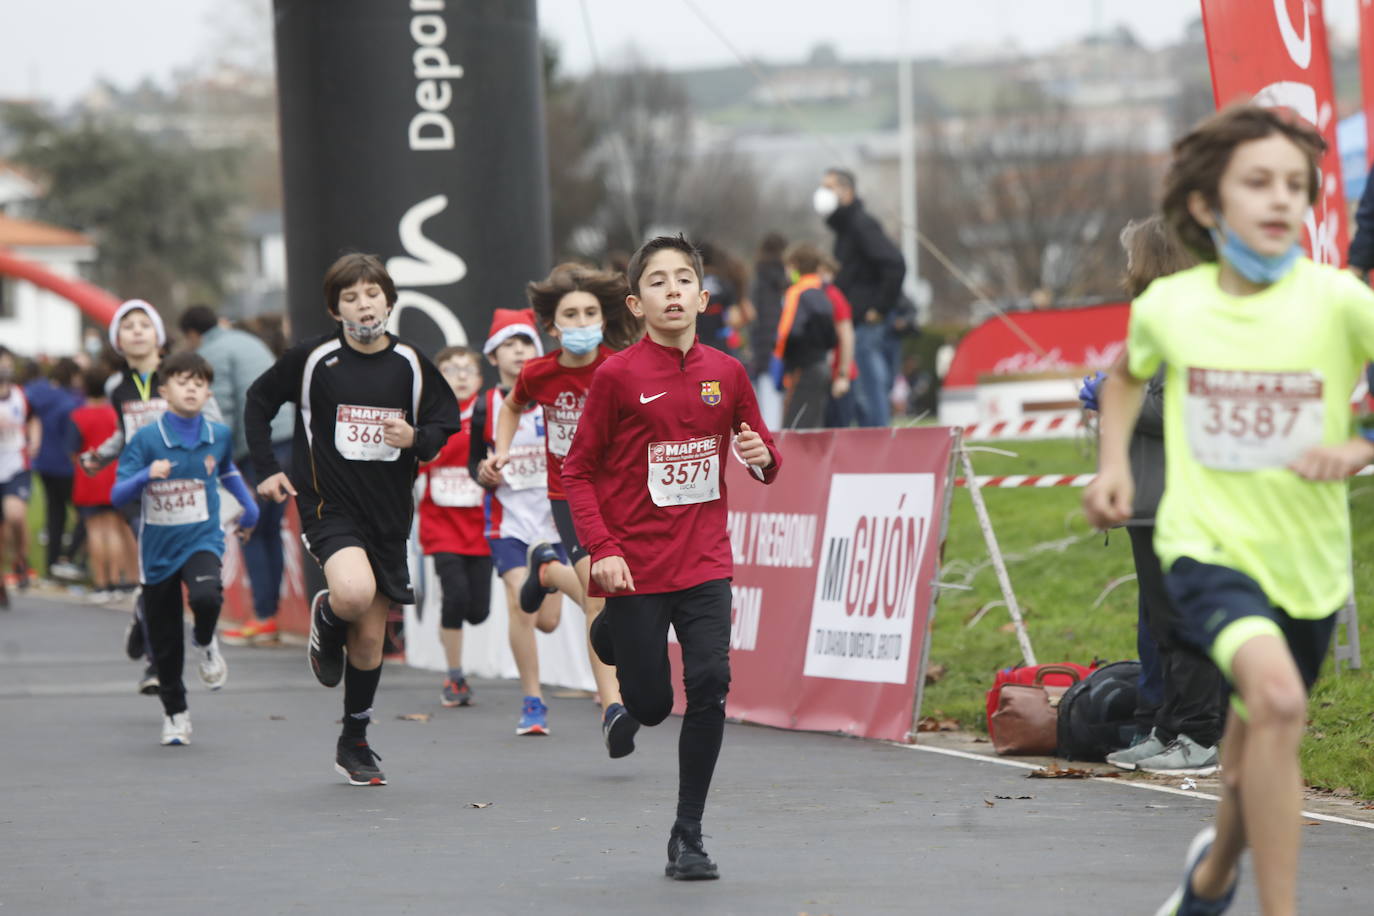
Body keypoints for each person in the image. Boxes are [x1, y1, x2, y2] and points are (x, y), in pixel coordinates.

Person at [1084, 105, 1374, 916]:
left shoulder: (1340, 300)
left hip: (1306, 563)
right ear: (1207, 206)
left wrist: (1360, 446)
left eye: (1295, 184)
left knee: (1258, 740)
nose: (1281, 198)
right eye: (1258, 182)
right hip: (1205, 546)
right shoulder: (1173, 306)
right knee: (1278, 702)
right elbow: (1123, 380)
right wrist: (1112, 469)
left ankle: (1211, 877)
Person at [562, 234, 783, 881]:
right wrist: (601, 549)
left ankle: (688, 832)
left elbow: (762, 449)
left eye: (683, 278)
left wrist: (764, 459)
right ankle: (612, 631)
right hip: (632, 565)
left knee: (711, 685)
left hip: (705, 561)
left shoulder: (728, 372)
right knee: (652, 706)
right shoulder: (616, 376)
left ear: (704, 296)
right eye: (657, 281)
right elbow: (577, 471)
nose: (673, 290)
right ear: (636, 302)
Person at [244, 252, 459, 785]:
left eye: (371, 294)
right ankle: (328, 615)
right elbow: (257, 401)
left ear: (389, 300)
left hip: (387, 515)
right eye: (350, 297)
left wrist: (417, 439)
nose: (363, 305)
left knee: (369, 640)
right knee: (354, 593)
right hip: (328, 505)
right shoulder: (314, 358)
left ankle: (354, 739)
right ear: (335, 309)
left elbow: (444, 420)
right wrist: (267, 468)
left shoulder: (410, 361)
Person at [1080, 216, 1227, 778]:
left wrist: (1114, 394)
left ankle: (1199, 736)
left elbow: (1179, 409)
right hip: (1148, 496)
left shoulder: (1188, 323)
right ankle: (1166, 728)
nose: (1124, 269)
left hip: (1178, 498)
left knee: (1184, 619)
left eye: (1129, 257)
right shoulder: (1157, 321)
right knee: (1161, 624)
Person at [490, 264, 644, 756]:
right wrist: (502, 450)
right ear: (553, 327)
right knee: (599, 598)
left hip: (619, 497)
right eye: (570, 315)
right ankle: (612, 708)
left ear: (605, 318)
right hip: (569, 495)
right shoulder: (540, 372)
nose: (582, 322)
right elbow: (512, 407)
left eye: (591, 313)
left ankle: (547, 571)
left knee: (620, 599)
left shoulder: (621, 367)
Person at [111, 351, 259, 745]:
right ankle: (176, 713)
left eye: (199, 383)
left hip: (201, 538)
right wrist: (147, 474)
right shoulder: (146, 439)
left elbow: (227, 470)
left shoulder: (219, 435)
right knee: (165, 640)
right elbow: (117, 492)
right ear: (164, 390)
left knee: (208, 596)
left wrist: (250, 507)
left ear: (208, 391)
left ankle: (207, 639)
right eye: (182, 381)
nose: (191, 389)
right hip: (158, 548)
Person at [469, 308, 565, 736]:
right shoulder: (484, 408)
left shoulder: (554, 400)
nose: (519, 351)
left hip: (555, 524)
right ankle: (533, 700)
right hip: (507, 524)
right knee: (516, 602)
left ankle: (545, 572)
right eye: (509, 344)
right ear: (493, 356)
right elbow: (476, 462)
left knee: (548, 620)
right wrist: (484, 472)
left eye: (526, 342)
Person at [180, 304, 295, 646]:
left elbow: (224, 408)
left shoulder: (212, 352)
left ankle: (263, 618)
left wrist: (214, 457)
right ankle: (269, 616)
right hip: (290, 440)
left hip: (258, 447)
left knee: (253, 531)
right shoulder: (247, 340)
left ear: (191, 335)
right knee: (270, 530)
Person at [415, 345, 490, 707]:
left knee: (478, 611)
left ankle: (454, 624)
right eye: (450, 369)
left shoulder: (490, 413)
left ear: (478, 379)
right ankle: (455, 676)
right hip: (441, 525)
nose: (460, 375)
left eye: (467, 369)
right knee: (456, 595)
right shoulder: (431, 420)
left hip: (482, 527)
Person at [813, 168, 905, 428]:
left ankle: (878, 446)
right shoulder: (846, 228)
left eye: (829, 187)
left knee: (868, 390)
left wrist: (879, 307)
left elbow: (894, 264)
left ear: (847, 192)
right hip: (854, 321)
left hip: (866, 323)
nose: (823, 193)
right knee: (860, 393)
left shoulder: (860, 224)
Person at [68, 367, 137, 602]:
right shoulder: (113, 413)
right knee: (117, 530)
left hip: (89, 478)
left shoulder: (78, 416)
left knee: (96, 532)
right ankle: (121, 580)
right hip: (115, 475)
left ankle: (102, 584)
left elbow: (72, 451)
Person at [26, 357, 82, 580]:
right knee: (85, 514)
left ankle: (52, 563)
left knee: (54, 513)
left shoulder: (37, 393)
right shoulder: (71, 400)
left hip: (42, 462)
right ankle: (68, 558)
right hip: (66, 464)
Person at [773, 243, 838, 430]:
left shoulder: (796, 293)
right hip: (821, 366)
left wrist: (780, 363)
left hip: (801, 368)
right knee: (813, 427)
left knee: (792, 427)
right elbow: (832, 337)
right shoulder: (822, 294)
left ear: (794, 266)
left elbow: (787, 332)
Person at [0, 346, 38, 607]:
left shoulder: (20, 395)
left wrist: (34, 439)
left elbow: (34, 419)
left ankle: (22, 559)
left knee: (16, 514)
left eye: (7, 364)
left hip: (15, 466)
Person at [749, 233, 788, 429]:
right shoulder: (784, 276)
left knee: (765, 388)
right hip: (780, 336)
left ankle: (767, 429)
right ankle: (776, 430)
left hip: (761, 338)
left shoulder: (758, 276)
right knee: (777, 389)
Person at [818, 254, 858, 429]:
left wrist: (843, 375)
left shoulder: (832, 296)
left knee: (838, 431)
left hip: (838, 376)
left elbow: (846, 335)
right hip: (828, 375)